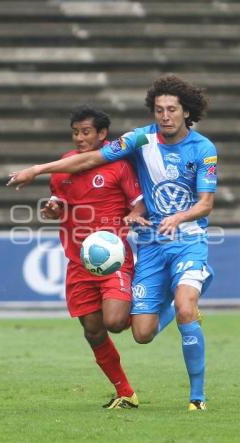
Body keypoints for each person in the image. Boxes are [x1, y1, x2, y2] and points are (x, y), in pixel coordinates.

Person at [8, 75, 217, 411]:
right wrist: (40, 170)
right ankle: (130, 383)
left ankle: (198, 398)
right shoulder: (138, 139)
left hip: (188, 239)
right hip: (149, 245)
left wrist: (175, 217)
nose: (165, 115)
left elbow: (206, 204)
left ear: (185, 111)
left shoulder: (204, 149)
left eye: (172, 109)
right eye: (159, 109)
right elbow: (90, 161)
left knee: (183, 308)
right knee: (139, 333)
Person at [37, 105, 151, 409]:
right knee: (93, 330)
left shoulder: (119, 166)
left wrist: (133, 215)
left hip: (112, 258)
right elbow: (57, 202)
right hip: (78, 262)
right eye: (76, 132)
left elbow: (140, 204)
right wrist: (52, 210)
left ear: (102, 134)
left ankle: (152, 299)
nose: (79, 138)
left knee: (114, 322)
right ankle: (125, 392)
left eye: (86, 132)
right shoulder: (63, 165)